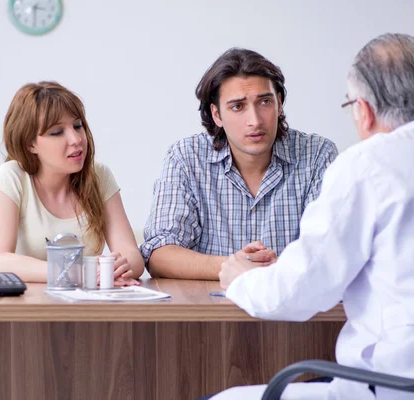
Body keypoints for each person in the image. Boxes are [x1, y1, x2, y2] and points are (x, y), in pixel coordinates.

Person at [212, 33, 414, 400]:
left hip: (395, 384)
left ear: (364, 109)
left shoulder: (368, 165)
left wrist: (240, 278)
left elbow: (297, 292)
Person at [141, 48, 338, 280]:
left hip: (293, 311)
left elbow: (332, 251)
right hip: (209, 311)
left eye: (265, 102)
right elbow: (159, 254)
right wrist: (235, 266)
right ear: (216, 115)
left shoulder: (317, 155)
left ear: (280, 103)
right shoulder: (186, 157)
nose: (254, 121)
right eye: (237, 107)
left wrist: (266, 271)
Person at [0, 81, 144, 284]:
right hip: (27, 308)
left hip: (87, 307)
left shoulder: (99, 175)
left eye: (78, 126)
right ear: (30, 143)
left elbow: (132, 256)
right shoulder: (11, 176)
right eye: (57, 132)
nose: (76, 139)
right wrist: (77, 273)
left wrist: (118, 267)